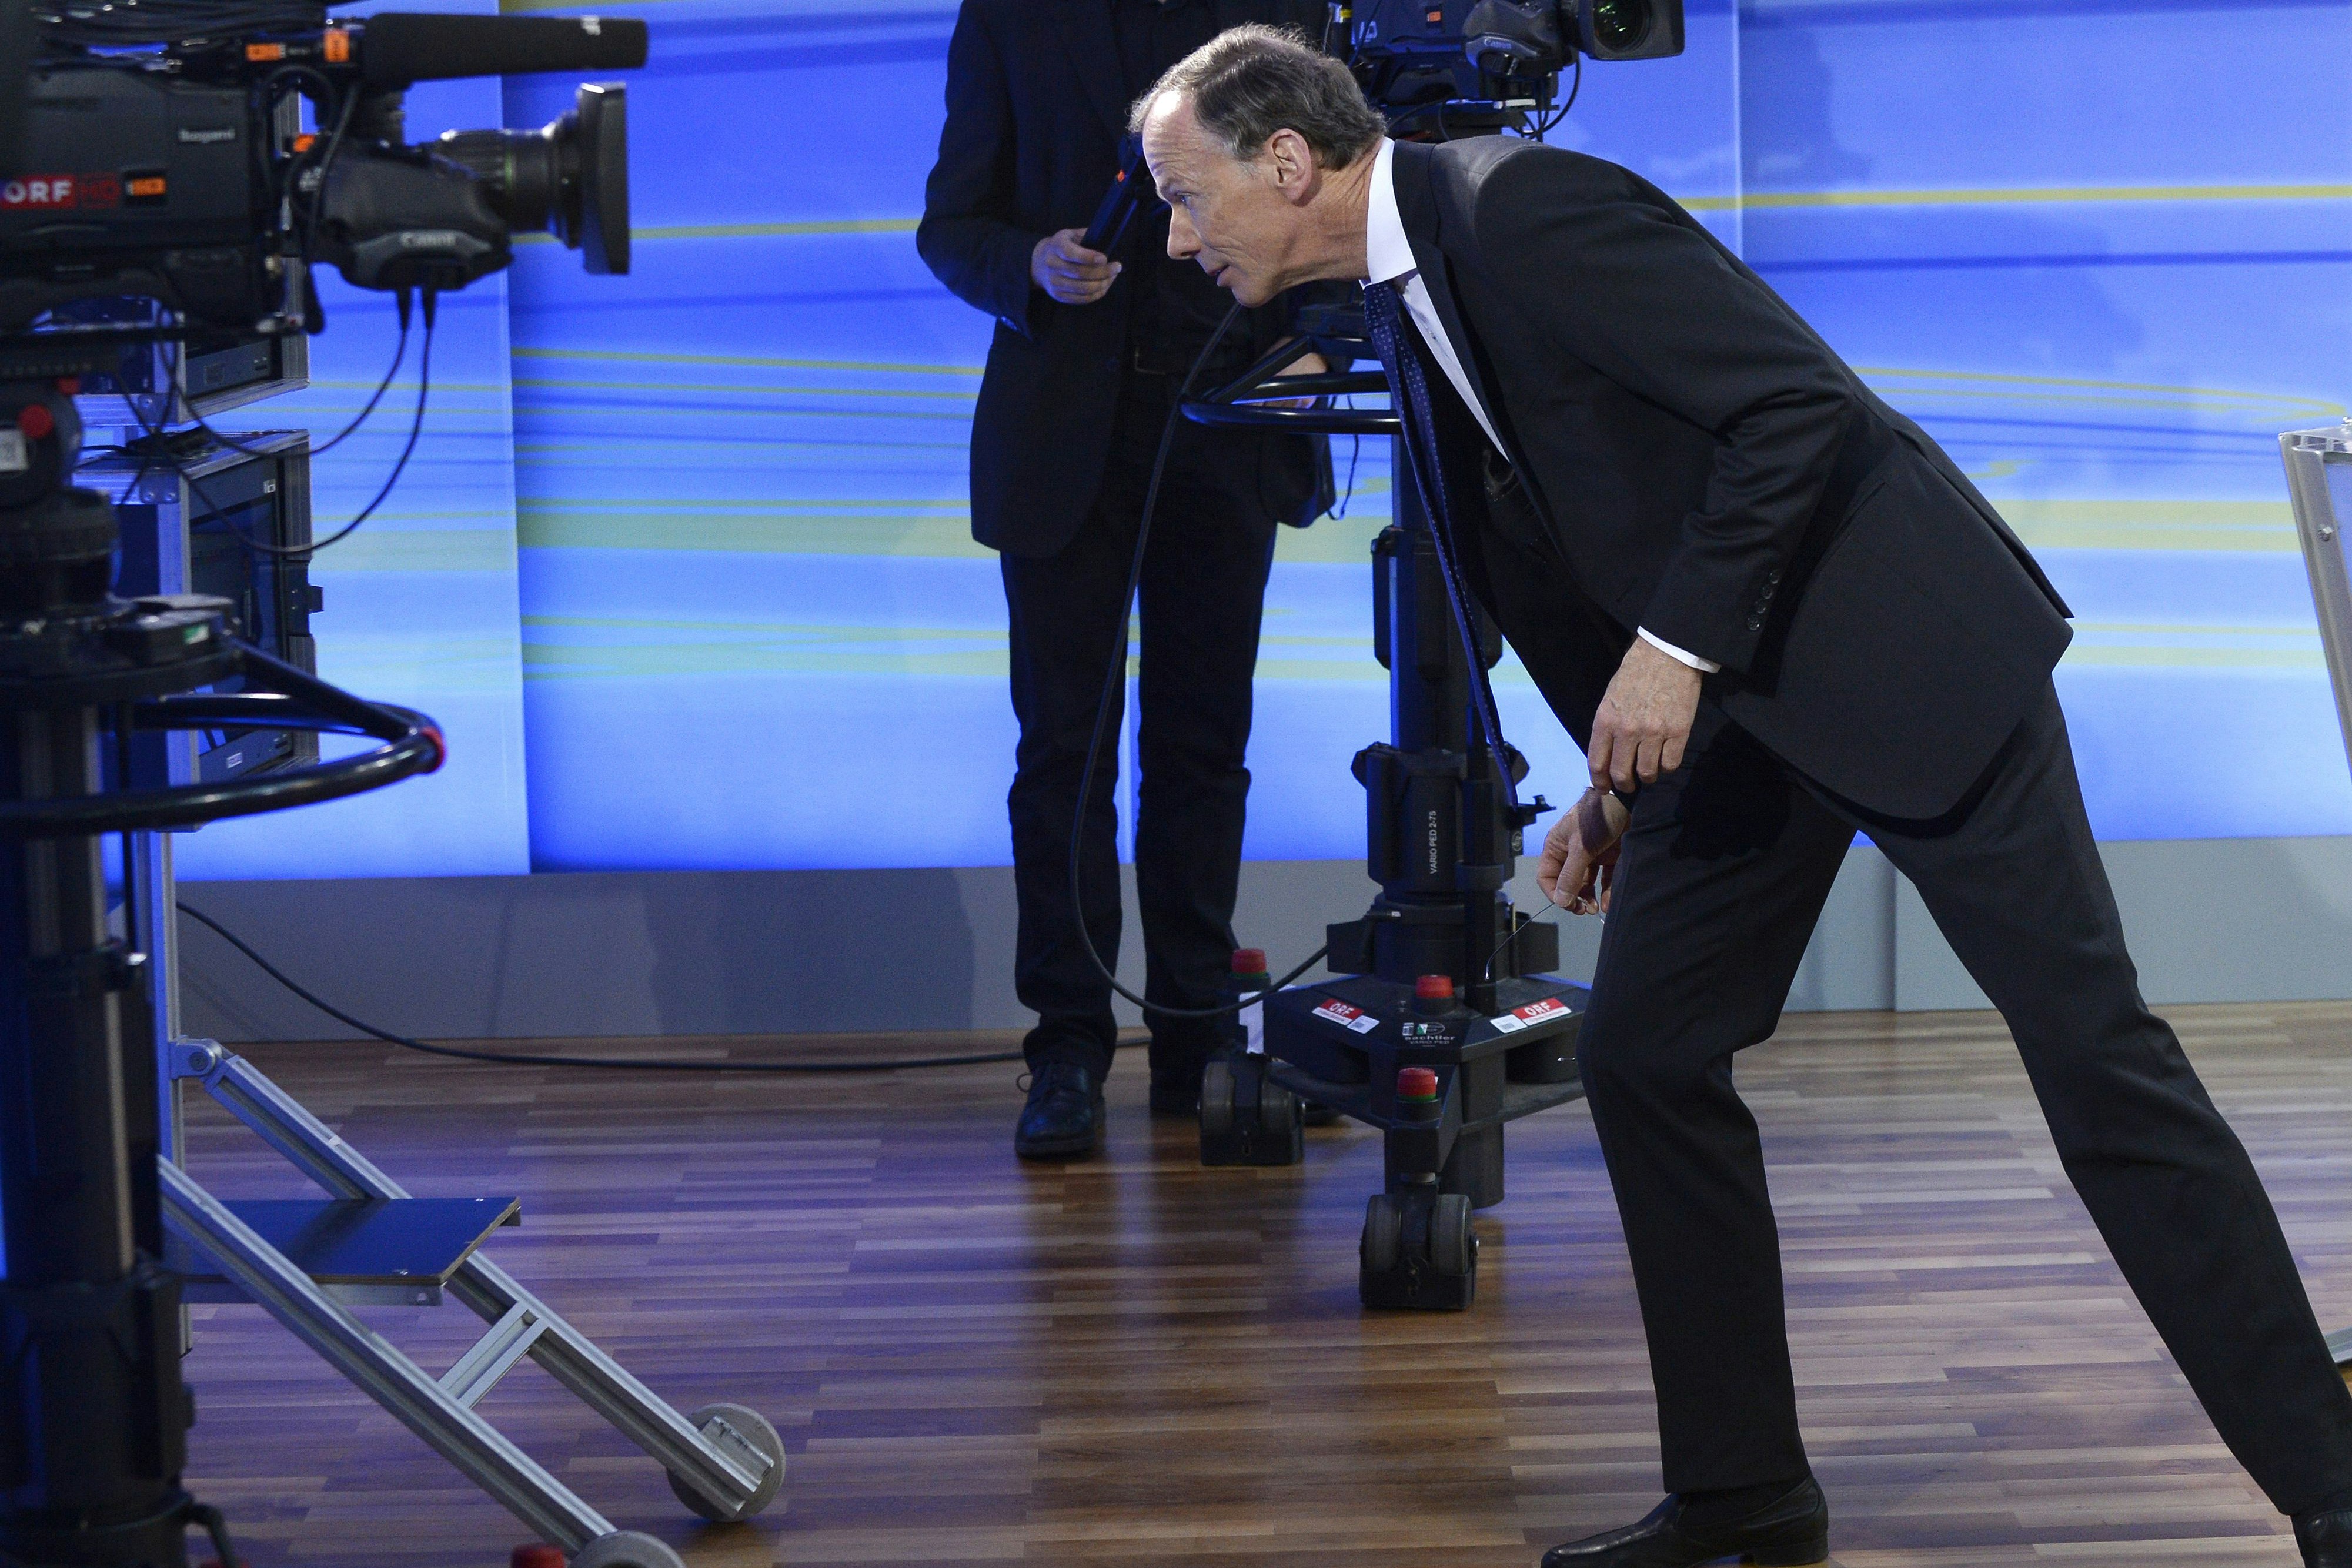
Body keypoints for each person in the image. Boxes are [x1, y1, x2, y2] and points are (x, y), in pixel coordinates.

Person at [1125, 25, 2352, 1568]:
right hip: (1728, 714)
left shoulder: (1528, 210)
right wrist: (1620, 781)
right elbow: (1576, 538)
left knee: (2097, 1057)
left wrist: (1673, 657)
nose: (1173, 234)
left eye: (1183, 194)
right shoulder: (1399, 299)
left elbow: (1796, 413)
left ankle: (2333, 1484)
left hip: (1899, 654)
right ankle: (1744, 1495)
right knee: (1645, 1049)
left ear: (1286, 163)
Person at [918, 0, 1336, 1159]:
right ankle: (1063, 1048)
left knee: (1202, 745)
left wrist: (1314, 344)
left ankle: (1199, 1038)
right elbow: (951, 226)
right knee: (1063, 749)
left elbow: (1338, 205)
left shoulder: (1282, 14)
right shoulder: (1009, 17)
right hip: (1065, 436)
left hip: (1228, 416)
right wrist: (1028, 264)